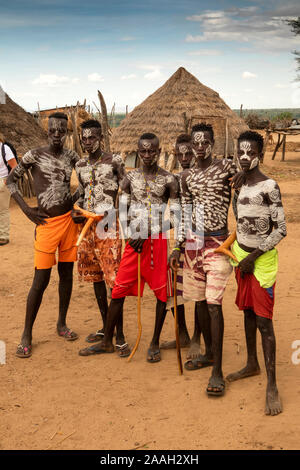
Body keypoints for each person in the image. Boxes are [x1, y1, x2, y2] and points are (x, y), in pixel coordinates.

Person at [79, 132, 179, 363]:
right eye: (142, 151)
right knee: (118, 291)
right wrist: (129, 233)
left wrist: (148, 233)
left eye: (151, 151)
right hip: (134, 242)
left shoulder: (169, 180)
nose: (146, 155)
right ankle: (107, 342)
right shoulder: (129, 179)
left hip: (156, 243)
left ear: (159, 151)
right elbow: (121, 209)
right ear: (137, 151)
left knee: (161, 294)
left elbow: (175, 217)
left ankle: (154, 342)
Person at [170, 123, 243, 396]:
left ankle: (217, 371)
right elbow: (184, 211)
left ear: (213, 143)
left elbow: (242, 192)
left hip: (217, 243)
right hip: (193, 243)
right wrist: (179, 244)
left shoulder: (226, 168)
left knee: (213, 305)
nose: (200, 148)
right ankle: (210, 353)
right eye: (196, 144)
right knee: (199, 302)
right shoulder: (186, 177)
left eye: (204, 143)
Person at [6, 112, 81, 358]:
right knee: (41, 280)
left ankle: (61, 323)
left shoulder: (72, 157)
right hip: (46, 225)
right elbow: (10, 182)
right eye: (53, 131)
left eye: (62, 131)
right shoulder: (34, 155)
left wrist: (75, 203)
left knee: (66, 275)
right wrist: (27, 210)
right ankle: (26, 333)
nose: (57, 135)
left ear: (67, 133)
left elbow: (86, 182)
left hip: (69, 223)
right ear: (47, 132)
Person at [226, 130, 286, 416]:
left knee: (264, 321)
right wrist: (239, 253)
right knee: (247, 312)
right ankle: (252, 363)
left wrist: (254, 256)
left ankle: (272, 385)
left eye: (250, 152)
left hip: (259, 262)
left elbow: (281, 230)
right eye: (240, 152)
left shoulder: (269, 186)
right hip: (242, 258)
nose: (244, 157)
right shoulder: (239, 186)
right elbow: (241, 223)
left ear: (259, 154)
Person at [73, 119, 130, 357]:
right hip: (86, 225)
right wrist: (75, 207)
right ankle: (106, 327)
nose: (87, 142)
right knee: (95, 277)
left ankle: (120, 336)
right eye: (84, 138)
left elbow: (126, 190)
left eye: (92, 137)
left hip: (108, 224)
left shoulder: (114, 161)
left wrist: (122, 220)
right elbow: (83, 191)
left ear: (101, 138)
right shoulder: (80, 165)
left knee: (114, 280)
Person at [0, 134, 18, 245]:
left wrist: (6, 181)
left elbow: (14, 166)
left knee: (2, 210)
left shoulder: (4, 148)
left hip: (2, 180)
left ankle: (3, 236)